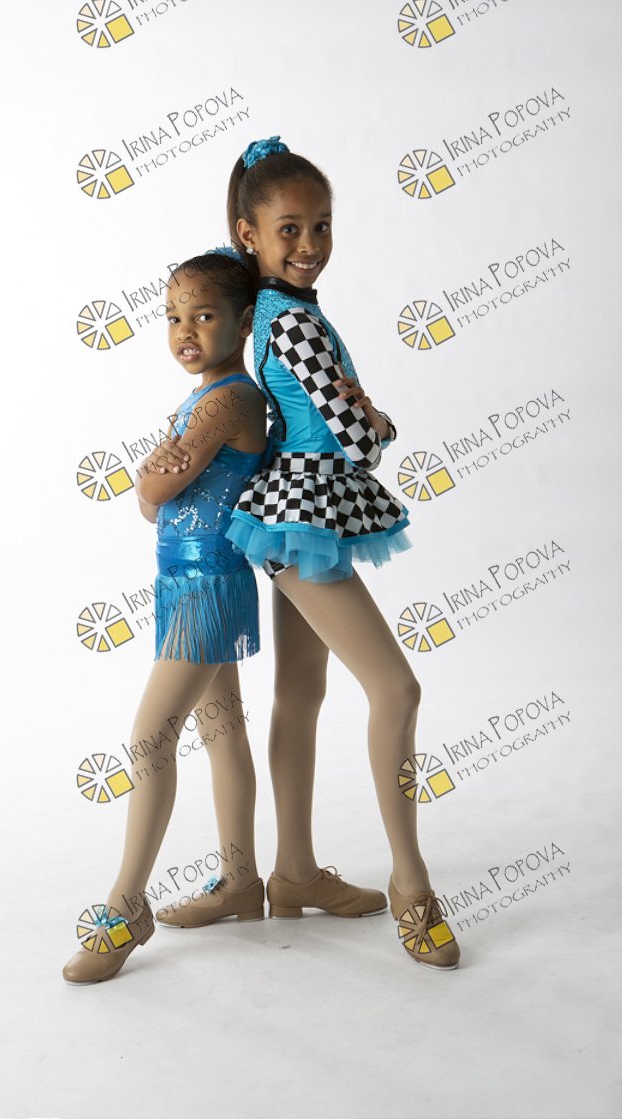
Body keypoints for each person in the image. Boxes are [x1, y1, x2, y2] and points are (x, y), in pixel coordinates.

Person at [221, 136, 460, 970]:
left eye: (321, 225)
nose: (310, 244)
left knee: (301, 691)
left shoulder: (275, 307)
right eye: (289, 229)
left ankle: (293, 872)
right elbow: (359, 439)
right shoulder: (292, 321)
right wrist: (381, 420)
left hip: (299, 510)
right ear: (250, 234)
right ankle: (411, 881)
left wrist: (359, 417)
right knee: (397, 687)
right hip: (303, 514)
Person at [62, 252, 269, 984]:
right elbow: (154, 503)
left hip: (207, 583)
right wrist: (153, 481)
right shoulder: (203, 398)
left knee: (150, 738)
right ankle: (241, 881)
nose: (185, 331)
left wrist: (152, 477)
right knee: (222, 731)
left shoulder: (226, 401)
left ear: (243, 322)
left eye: (203, 315)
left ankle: (127, 906)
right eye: (174, 317)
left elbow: (154, 488)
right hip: (185, 580)